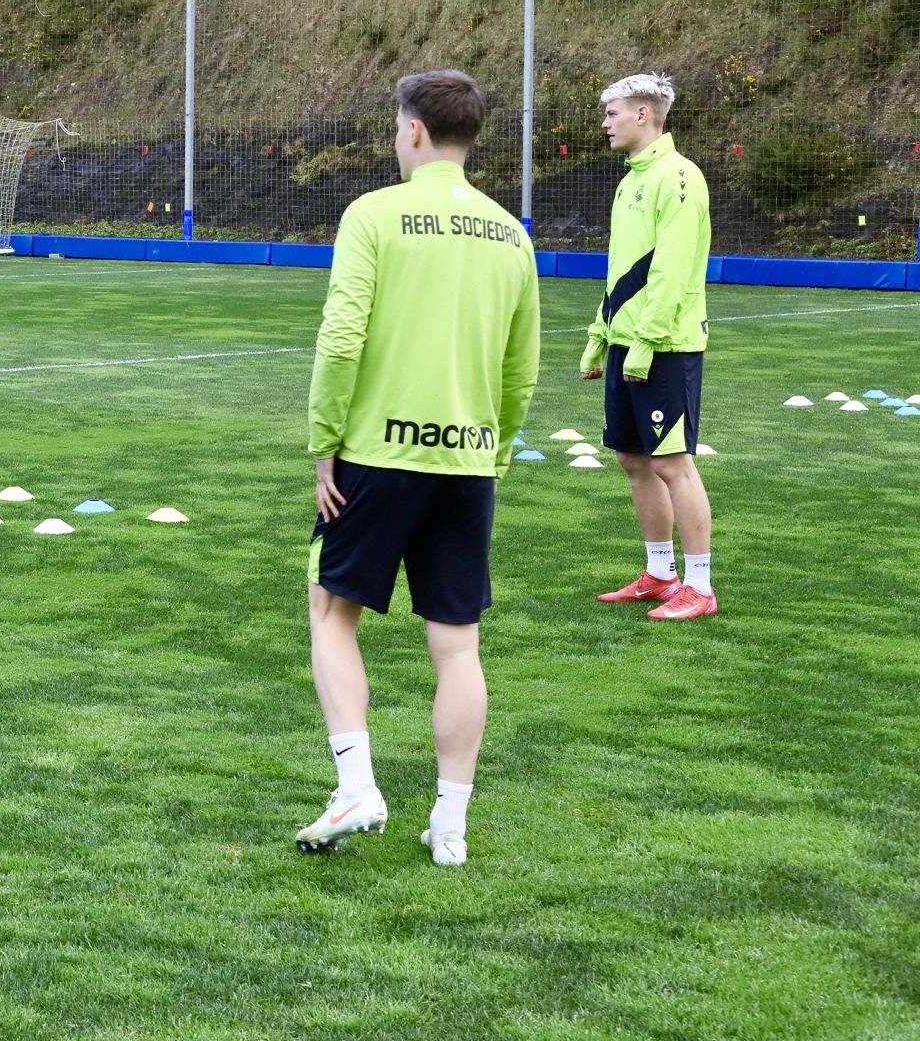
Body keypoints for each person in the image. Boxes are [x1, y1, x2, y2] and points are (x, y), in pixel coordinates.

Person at [296, 70, 540, 866]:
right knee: (458, 643)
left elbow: (341, 337)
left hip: (376, 454)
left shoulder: (373, 214)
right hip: (468, 462)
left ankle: (357, 786)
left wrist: (326, 441)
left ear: (412, 131)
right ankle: (451, 825)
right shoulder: (511, 234)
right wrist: (495, 453)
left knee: (331, 611)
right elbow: (520, 369)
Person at [579, 73, 717, 622]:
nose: (605, 124)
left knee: (673, 462)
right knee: (633, 458)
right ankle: (661, 574)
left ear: (642, 114)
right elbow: (622, 270)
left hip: (664, 346)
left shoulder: (679, 176)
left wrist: (646, 341)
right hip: (627, 341)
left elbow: (672, 269)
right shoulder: (629, 180)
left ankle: (700, 587)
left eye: (612, 113)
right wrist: (600, 335)